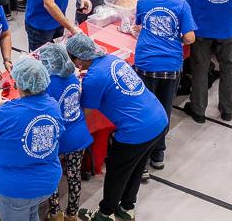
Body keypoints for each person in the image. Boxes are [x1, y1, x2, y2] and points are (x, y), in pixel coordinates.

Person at [68, 33, 168, 221]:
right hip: (157, 118)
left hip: (136, 130)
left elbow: (86, 113)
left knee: (117, 169)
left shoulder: (94, 77)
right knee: (137, 166)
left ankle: (105, 213)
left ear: (80, 58)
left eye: (73, 60)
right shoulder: (113, 60)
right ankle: (127, 206)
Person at [0, 57, 63, 221]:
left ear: (17, 84)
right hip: (46, 182)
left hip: (16, 188)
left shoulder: (9, 112)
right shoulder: (53, 105)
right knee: (31, 213)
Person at [132, 0, 196, 173]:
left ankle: (141, 160)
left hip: (145, 63)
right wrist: (173, 37)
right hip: (170, 64)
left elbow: (139, 24)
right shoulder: (181, 4)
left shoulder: (143, 1)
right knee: (163, 109)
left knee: (144, 110)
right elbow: (189, 38)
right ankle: (158, 153)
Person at [40, 43, 93, 221]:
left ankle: (55, 212)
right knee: (74, 175)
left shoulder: (46, 83)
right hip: (78, 133)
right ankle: (72, 213)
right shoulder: (71, 77)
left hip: (59, 138)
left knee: (53, 175)